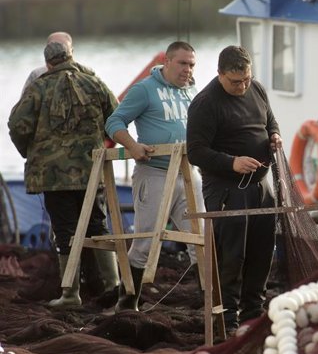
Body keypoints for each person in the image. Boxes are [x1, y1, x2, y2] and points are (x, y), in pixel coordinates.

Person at [8, 41, 120, 308]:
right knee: (97, 224)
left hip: (53, 175)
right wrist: (98, 141)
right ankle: (114, 285)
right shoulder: (94, 83)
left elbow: (17, 125)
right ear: (70, 56)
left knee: (65, 229)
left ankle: (70, 295)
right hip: (90, 170)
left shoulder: (38, 87)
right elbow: (116, 116)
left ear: (48, 63)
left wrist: (30, 151)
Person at [187, 45, 282, 333]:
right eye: (235, 82)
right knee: (232, 255)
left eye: (246, 80)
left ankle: (254, 312)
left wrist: (275, 135)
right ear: (220, 75)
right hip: (226, 188)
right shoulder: (205, 103)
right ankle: (228, 318)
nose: (242, 86)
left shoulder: (258, 90)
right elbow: (196, 152)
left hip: (260, 185)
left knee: (263, 249)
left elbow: (270, 120)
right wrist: (232, 162)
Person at [105, 41, 203, 311]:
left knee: (201, 239)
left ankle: (209, 300)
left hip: (188, 173)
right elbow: (113, 122)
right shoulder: (145, 89)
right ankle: (128, 301)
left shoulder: (192, 90)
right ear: (168, 62)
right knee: (146, 241)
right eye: (183, 63)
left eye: (192, 64)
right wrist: (133, 146)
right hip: (155, 173)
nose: (188, 69)